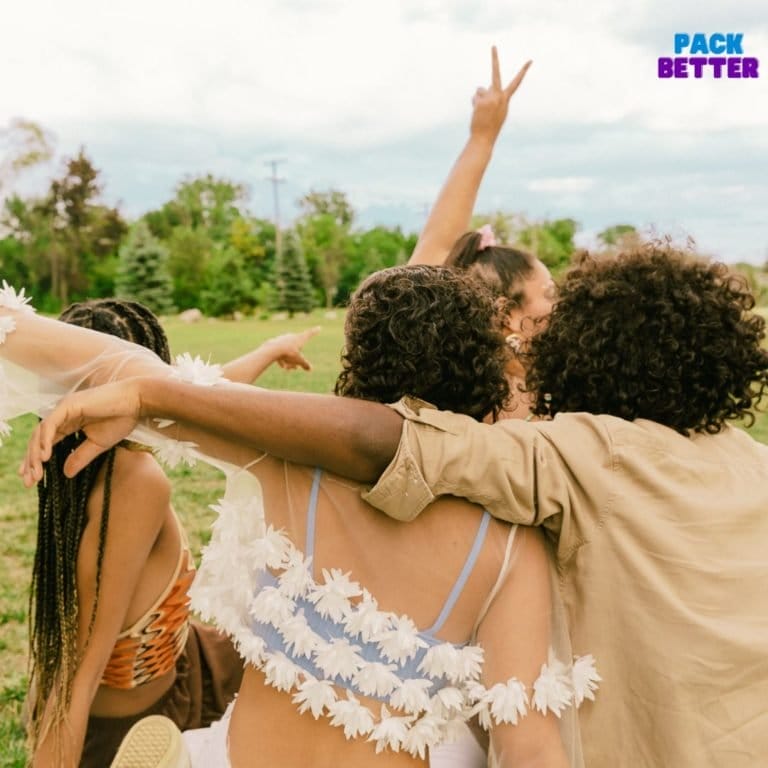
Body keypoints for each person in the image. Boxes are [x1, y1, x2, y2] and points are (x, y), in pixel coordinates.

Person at [18, 242, 768, 767]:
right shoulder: (517, 538)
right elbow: (528, 743)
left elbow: (158, 378)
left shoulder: (292, 471)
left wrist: (129, 385)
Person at [13, 296, 319, 767]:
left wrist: (270, 349)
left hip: (189, 657)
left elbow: (202, 396)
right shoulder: (133, 479)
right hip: (142, 719)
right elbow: (78, 675)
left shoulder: (79, 455)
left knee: (298, 652)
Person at [410, 48, 556, 418]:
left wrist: (482, 135)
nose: (561, 304)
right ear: (508, 316)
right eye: (550, 293)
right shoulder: (537, 409)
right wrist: (484, 134)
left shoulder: (438, 385)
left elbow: (439, 244)